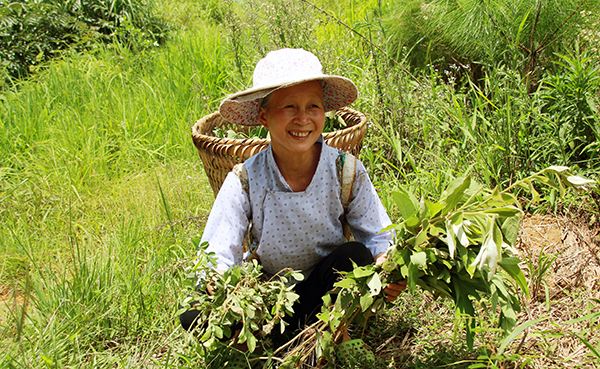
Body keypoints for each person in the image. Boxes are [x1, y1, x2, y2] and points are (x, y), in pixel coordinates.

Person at [181, 48, 405, 339]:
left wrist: (385, 262)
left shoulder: (343, 169)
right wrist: (218, 282)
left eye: (313, 106)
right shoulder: (246, 178)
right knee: (194, 311)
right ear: (264, 116)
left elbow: (378, 235)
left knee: (355, 255)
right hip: (272, 296)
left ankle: (327, 328)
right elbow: (218, 251)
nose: (303, 119)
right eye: (289, 107)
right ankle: (277, 333)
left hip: (329, 288)